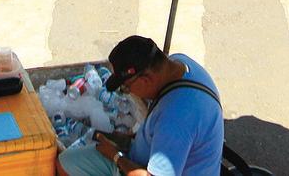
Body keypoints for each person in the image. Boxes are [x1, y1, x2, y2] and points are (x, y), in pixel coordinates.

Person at [57, 35, 224, 176]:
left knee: (65, 167)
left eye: (126, 87)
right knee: (67, 161)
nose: (128, 92)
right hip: (148, 156)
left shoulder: (175, 118)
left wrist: (116, 156)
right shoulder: (180, 63)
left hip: (146, 167)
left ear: (146, 80)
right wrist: (132, 139)